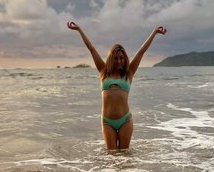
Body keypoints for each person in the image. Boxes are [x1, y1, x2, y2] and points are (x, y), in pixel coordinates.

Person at [67, 22, 167, 150]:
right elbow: (91, 48)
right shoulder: (103, 71)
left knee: (124, 155)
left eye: (121, 58)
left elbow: (141, 51)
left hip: (125, 120)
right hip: (107, 122)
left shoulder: (129, 73)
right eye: (115, 58)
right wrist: (79, 30)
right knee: (112, 156)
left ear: (125, 59)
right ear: (111, 59)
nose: (119, 61)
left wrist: (154, 32)